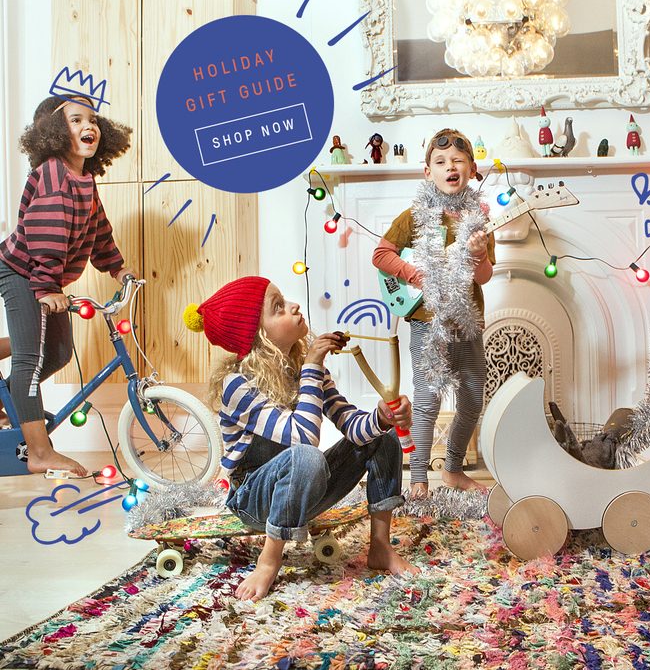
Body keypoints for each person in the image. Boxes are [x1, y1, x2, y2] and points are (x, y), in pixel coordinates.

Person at [184, 276, 418, 601]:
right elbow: (303, 439)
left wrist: (382, 418)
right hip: (255, 500)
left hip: (305, 490)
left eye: (285, 301)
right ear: (257, 335)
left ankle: (380, 547)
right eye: (278, 307)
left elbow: (351, 426)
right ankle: (269, 559)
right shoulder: (237, 385)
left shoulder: (306, 370)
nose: (293, 306)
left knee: (382, 437)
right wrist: (312, 366)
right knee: (306, 456)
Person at [0, 95, 134, 476]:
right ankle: (40, 453)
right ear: (56, 132)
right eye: (76, 120)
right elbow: (45, 234)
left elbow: (99, 231)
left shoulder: (84, 180)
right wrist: (46, 287)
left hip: (45, 276)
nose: (89, 126)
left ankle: (9, 398)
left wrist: (118, 268)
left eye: (93, 120)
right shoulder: (53, 175)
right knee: (30, 359)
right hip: (22, 271)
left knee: (58, 353)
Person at [372, 128, 494, 500]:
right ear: (428, 172)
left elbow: (484, 277)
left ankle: (453, 470)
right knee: (427, 399)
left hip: (467, 321)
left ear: (472, 169)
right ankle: (419, 479)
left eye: (458, 160)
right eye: (440, 162)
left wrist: (477, 254)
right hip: (428, 323)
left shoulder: (480, 221)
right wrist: (416, 275)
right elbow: (381, 255)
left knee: (472, 398)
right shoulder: (414, 216)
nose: (450, 167)